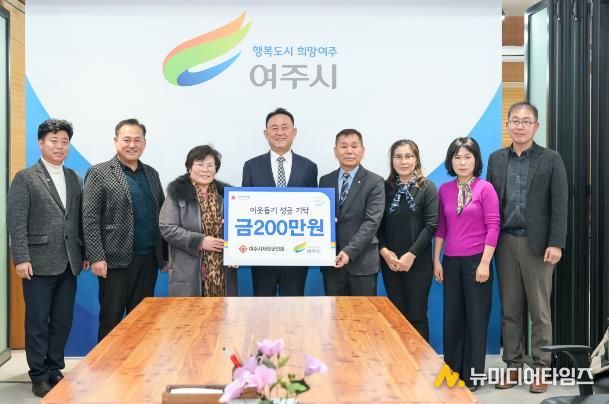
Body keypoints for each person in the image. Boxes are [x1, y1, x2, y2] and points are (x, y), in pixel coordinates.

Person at [487, 101, 568, 393]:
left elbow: (560, 204)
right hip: (505, 243)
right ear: (508, 124)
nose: (520, 126)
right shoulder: (496, 159)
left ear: (536, 126)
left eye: (526, 121)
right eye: (515, 121)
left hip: (539, 246)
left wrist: (556, 242)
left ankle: (541, 368)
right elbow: (490, 205)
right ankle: (513, 365)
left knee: (539, 311)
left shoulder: (551, 159)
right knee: (510, 310)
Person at [7, 119, 88, 398]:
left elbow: (78, 220)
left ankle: (54, 368)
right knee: (38, 322)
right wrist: (21, 258)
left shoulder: (74, 178)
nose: (59, 146)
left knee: (62, 320)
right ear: (41, 143)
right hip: (37, 262)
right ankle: (38, 375)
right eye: (54, 141)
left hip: (69, 262)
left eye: (64, 141)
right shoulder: (25, 178)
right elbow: (16, 222)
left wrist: (83, 252)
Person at [82, 118, 166, 341]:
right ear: (115, 141)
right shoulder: (99, 172)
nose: (132, 145)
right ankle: (107, 363)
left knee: (142, 321)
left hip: (148, 260)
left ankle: (138, 363)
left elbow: (161, 215)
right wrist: (96, 256)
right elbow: (90, 218)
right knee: (111, 320)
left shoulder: (151, 173)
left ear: (144, 143)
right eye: (126, 139)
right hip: (114, 262)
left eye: (137, 140)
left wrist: (164, 255)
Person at [433, 137, 500, 391]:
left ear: (476, 160)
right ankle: (452, 373)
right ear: (451, 161)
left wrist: (485, 263)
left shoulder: (485, 189)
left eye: (467, 157)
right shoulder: (444, 190)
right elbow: (441, 228)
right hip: (450, 262)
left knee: (476, 319)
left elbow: (494, 227)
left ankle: (473, 376)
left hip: (477, 262)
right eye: (457, 157)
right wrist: (436, 260)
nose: (462, 162)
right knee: (453, 319)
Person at [242, 107, 318, 296]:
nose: (280, 132)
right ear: (266, 133)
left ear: (294, 132)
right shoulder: (251, 166)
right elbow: (244, 208)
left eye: (285, 127)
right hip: (261, 254)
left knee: (294, 307)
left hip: (297, 255)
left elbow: (314, 207)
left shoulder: (309, 167)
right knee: (261, 306)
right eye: (274, 128)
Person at [377, 139, 438, 341]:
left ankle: (420, 360)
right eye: (398, 157)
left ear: (416, 159)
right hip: (391, 263)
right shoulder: (384, 188)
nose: (404, 161)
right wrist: (384, 252)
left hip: (418, 263)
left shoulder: (427, 188)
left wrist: (411, 255)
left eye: (409, 156)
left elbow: (431, 225)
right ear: (392, 161)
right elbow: (376, 225)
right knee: (396, 317)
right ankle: (399, 360)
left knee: (417, 316)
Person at [159, 145, 237, 297]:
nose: (205, 170)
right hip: (188, 271)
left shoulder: (228, 195)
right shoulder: (177, 194)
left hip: (223, 271)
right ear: (189, 168)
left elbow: (241, 228)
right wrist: (199, 241)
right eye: (200, 164)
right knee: (190, 312)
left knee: (222, 311)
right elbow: (167, 227)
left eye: (210, 165)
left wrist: (237, 251)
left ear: (216, 169)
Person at [319, 129, 385, 296]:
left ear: (362, 151)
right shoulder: (325, 180)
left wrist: (349, 251)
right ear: (335, 151)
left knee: (364, 312)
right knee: (334, 311)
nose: (349, 151)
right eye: (343, 146)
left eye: (354, 146)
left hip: (362, 263)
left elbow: (371, 222)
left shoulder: (375, 182)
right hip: (332, 262)